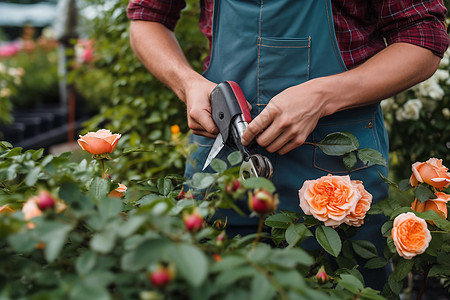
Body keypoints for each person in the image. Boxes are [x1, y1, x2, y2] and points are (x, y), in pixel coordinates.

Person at [127, 0, 449, 290]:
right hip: (221, 155)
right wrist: (188, 82)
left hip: (336, 164)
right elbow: (147, 18)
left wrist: (324, 96)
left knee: (345, 282)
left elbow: (422, 38)